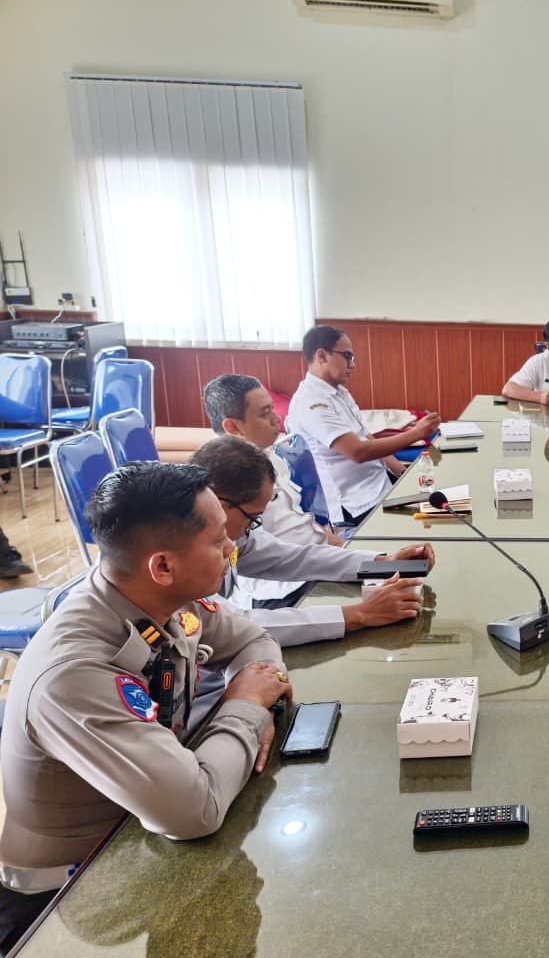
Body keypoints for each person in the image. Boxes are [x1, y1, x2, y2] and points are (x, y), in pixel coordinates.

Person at [0, 461, 289, 951]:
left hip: (144, 835)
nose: (231, 550)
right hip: (77, 898)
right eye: (218, 541)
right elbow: (193, 813)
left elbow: (255, 641)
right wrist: (245, 707)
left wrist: (254, 692)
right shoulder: (75, 673)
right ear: (163, 565)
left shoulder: (162, 595)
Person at [190, 436, 430, 649]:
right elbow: (235, 625)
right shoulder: (177, 551)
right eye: (253, 517)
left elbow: (292, 557)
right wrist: (360, 614)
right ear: (220, 506)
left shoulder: (225, 534)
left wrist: (381, 562)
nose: (252, 526)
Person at [204, 373, 341, 606]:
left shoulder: (266, 456)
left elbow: (301, 523)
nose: (277, 418)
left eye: (273, 409)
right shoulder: (221, 484)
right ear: (233, 426)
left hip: (313, 563)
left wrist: (348, 549)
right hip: (278, 590)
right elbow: (268, 558)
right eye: (265, 413)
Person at [287, 325, 441, 525]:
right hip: (358, 504)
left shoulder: (339, 392)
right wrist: (415, 433)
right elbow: (358, 452)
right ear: (322, 356)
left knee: (448, 503)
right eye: (347, 356)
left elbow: (368, 438)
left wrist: (403, 474)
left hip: (380, 484)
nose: (353, 365)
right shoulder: (311, 402)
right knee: (438, 520)